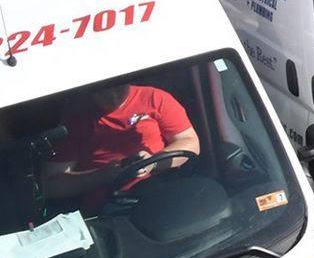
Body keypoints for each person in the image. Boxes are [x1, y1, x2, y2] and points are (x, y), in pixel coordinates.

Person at [45, 81, 200, 206]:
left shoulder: (154, 97)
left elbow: (190, 143)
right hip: (111, 206)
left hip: (166, 189)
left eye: (118, 88)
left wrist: (153, 163)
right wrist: (101, 175)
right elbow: (52, 185)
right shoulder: (74, 118)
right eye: (102, 91)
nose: (112, 97)